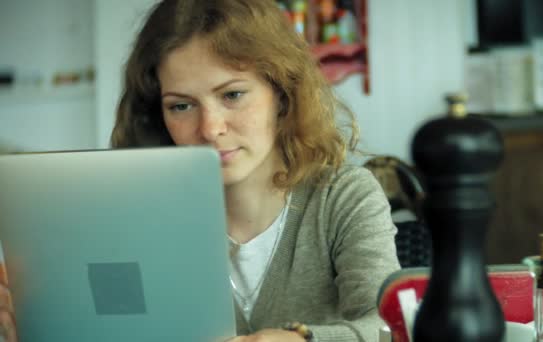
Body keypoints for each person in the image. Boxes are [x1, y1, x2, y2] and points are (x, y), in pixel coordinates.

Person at [111, 1, 401, 341]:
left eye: (232, 94)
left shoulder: (343, 196)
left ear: (281, 94)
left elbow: (387, 329)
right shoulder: (148, 214)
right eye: (181, 106)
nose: (209, 128)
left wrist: (302, 340)